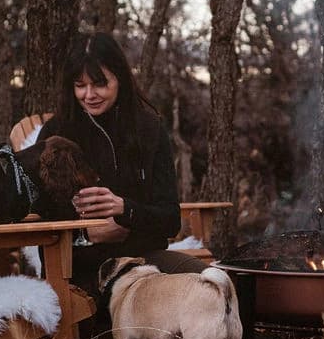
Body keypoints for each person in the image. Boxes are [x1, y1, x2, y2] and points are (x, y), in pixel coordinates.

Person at [35, 32, 206, 302]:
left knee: (214, 284)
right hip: (77, 269)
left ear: (120, 79)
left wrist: (126, 211)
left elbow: (170, 219)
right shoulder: (56, 133)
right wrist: (85, 231)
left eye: (100, 84)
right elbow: (39, 215)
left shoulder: (149, 128)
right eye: (80, 85)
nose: (89, 95)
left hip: (144, 262)